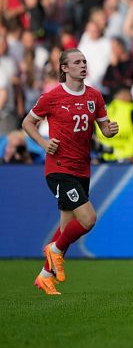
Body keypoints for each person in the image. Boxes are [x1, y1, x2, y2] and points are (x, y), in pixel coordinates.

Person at [21, 48, 119, 295]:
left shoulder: (94, 96)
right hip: (59, 169)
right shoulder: (52, 97)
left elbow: (104, 129)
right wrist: (43, 143)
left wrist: (110, 131)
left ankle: (45, 276)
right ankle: (53, 250)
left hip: (82, 168)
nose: (83, 65)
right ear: (64, 68)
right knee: (88, 219)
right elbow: (27, 122)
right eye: (77, 62)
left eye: (84, 61)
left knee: (66, 227)